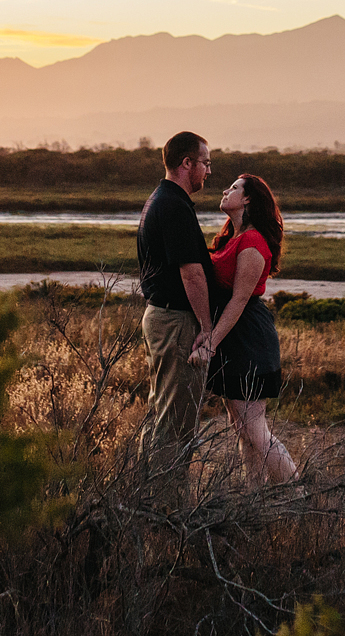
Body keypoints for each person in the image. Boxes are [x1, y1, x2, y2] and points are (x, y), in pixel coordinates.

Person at [192, 173, 297, 485]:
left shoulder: (252, 242)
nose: (226, 190)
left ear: (248, 199)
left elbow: (238, 301)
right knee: (243, 428)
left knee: (255, 429)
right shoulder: (232, 237)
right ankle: (253, 498)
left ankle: (298, 492)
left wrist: (209, 342)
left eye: (235, 188)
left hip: (248, 339)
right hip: (233, 337)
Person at [135, 131, 216, 452]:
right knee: (176, 422)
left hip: (162, 317)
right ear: (187, 163)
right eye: (205, 163)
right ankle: (166, 502)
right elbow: (191, 273)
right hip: (175, 322)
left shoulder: (162, 198)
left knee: (163, 412)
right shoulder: (173, 206)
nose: (208, 171)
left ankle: (147, 495)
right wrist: (207, 328)